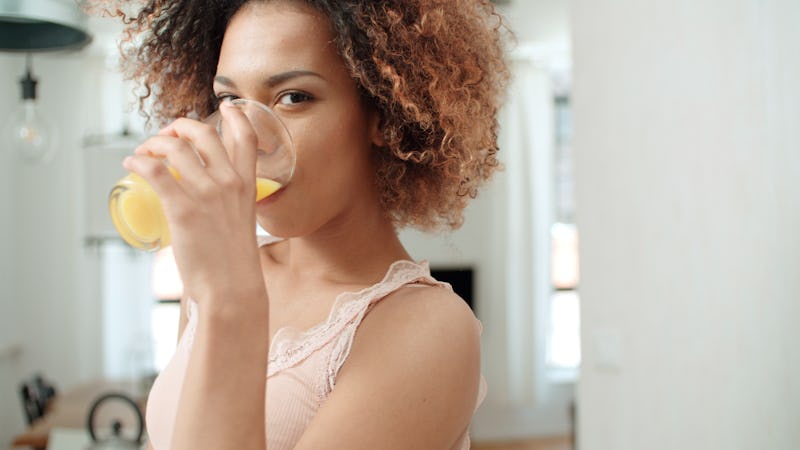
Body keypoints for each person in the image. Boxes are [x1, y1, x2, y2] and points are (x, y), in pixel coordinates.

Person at [106, 0, 508, 448]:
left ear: (382, 114)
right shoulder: (227, 275)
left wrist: (227, 301)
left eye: (294, 97)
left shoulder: (429, 329)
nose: (245, 138)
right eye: (229, 101)